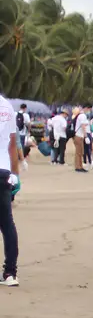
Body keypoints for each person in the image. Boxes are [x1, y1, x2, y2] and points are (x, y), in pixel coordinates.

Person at [0, 95, 20, 286]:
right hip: (3, 170)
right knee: (6, 223)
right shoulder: (6, 106)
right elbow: (12, 144)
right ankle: (10, 272)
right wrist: (15, 173)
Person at [73, 105, 91, 172]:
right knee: (79, 152)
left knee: (80, 152)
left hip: (79, 136)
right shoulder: (82, 116)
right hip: (79, 136)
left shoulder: (81, 115)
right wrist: (86, 136)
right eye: (89, 109)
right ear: (87, 108)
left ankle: (80, 166)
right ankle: (78, 167)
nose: (89, 111)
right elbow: (83, 126)